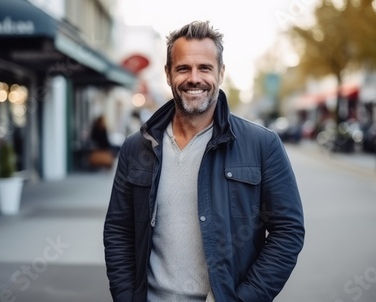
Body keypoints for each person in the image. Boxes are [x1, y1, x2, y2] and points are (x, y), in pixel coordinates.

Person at [103, 21, 305, 301]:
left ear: (221, 73)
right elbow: (118, 231)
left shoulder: (262, 145)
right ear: (168, 74)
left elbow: (288, 232)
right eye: (183, 68)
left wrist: (245, 298)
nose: (194, 78)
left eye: (205, 68)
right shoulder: (136, 148)